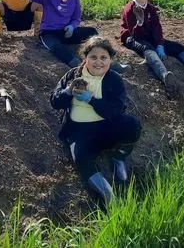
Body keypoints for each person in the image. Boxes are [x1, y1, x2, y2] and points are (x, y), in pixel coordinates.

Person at [50, 36, 142, 203]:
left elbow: (115, 110)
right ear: (85, 58)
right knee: (80, 157)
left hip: (106, 129)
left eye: (103, 57)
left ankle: (119, 157)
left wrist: (91, 99)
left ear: (110, 60)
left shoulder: (114, 79)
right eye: (93, 57)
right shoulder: (72, 75)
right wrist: (68, 92)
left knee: (131, 125)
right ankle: (110, 197)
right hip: (79, 131)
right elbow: (55, 102)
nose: (98, 62)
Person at [27, 0, 129, 72]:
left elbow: (76, 18)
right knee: (57, 47)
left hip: (66, 32)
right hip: (49, 33)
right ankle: (78, 66)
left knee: (92, 31)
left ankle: (111, 62)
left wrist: (72, 26)